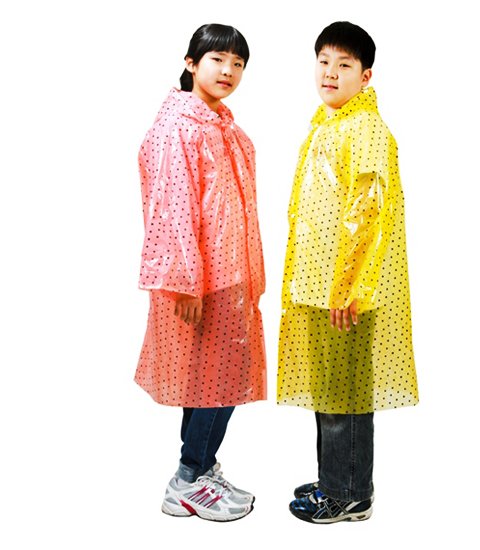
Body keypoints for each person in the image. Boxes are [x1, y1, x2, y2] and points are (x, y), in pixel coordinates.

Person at [277, 21, 419, 524]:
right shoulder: (331, 123)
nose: (330, 73)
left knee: (346, 394)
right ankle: (336, 477)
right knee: (330, 389)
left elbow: (368, 212)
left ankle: (350, 494)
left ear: (366, 75)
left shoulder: (365, 129)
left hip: (346, 292)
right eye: (324, 62)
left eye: (344, 65)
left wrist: (350, 288)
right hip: (323, 286)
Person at [135, 23, 266, 522]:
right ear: (191, 64)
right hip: (200, 280)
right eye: (218, 59)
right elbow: (172, 209)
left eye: (238, 63)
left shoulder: (218, 124)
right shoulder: (180, 128)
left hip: (227, 273)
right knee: (218, 378)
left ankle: (201, 467)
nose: (228, 70)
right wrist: (186, 283)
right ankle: (188, 478)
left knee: (209, 378)